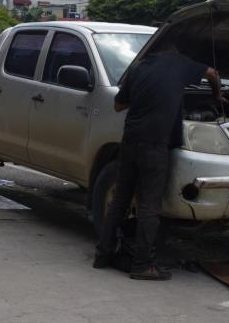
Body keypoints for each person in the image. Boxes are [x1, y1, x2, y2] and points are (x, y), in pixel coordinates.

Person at [94, 43, 222, 281]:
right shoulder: (180, 63)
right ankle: (142, 265)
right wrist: (217, 95)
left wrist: (145, 96)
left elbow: (118, 105)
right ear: (174, 50)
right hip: (154, 145)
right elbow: (212, 73)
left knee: (120, 199)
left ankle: (103, 255)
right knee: (149, 206)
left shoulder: (138, 68)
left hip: (130, 141)